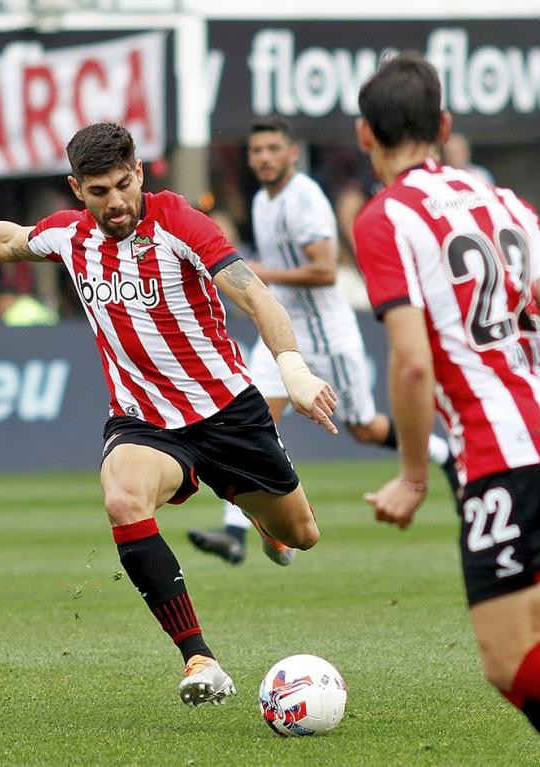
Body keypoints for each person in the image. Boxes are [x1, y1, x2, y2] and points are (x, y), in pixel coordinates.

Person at [0, 122, 338, 709]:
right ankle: (199, 657)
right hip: (144, 423)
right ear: (77, 189)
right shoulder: (70, 237)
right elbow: (8, 239)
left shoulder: (180, 222)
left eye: (123, 185)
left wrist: (294, 373)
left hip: (226, 411)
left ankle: (262, 522)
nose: (116, 201)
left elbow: (256, 295)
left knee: (300, 535)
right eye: (99, 191)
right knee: (123, 497)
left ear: (141, 174)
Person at [354, 53, 540, 765]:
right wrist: (536, 398)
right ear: (445, 126)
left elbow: (413, 359)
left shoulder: (385, 217)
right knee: (527, 656)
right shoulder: (507, 201)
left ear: (365, 135)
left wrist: (416, 474)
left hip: (499, 459)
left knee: (509, 661)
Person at [188, 117, 455, 565]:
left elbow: (325, 270)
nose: (265, 158)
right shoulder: (262, 202)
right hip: (282, 336)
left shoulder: (305, 198)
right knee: (249, 420)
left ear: (293, 153)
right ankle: (240, 532)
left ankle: (446, 454)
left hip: (327, 338)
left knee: (365, 428)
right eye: (257, 151)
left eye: (274, 148)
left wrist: (255, 273)